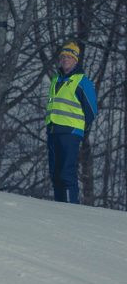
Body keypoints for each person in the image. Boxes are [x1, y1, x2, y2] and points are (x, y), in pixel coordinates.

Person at [45, 41, 97, 204]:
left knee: (66, 173)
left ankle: (70, 210)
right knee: (55, 173)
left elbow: (91, 111)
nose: (65, 59)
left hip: (70, 133)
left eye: (69, 57)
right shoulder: (55, 80)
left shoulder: (82, 82)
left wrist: (79, 128)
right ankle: (59, 206)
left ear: (75, 60)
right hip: (53, 131)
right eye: (63, 57)